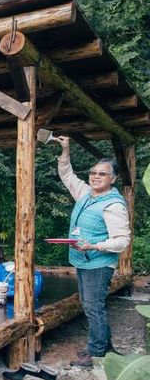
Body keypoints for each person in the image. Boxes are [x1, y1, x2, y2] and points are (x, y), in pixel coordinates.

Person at [57, 136, 130, 367]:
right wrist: (66, 149)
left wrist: (94, 246)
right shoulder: (86, 194)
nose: (96, 176)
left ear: (113, 178)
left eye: (102, 174)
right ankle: (105, 347)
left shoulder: (114, 204)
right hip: (83, 260)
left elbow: (122, 241)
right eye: (93, 172)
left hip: (99, 264)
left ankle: (96, 352)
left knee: (92, 307)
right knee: (92, 305)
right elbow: (67, 175)